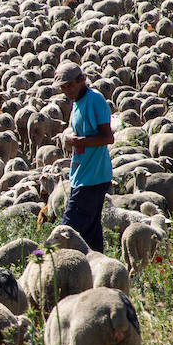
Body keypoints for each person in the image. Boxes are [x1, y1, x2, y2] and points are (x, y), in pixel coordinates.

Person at [56, 61, 114, 252]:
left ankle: (54, 269)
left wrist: (78, 141)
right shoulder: (77, 103)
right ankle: (97, 272)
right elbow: (79, 132)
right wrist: (69, 136)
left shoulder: (95, 99)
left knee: (67, 229)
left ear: (82, 80)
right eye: (63, 87)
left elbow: (108, 137)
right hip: (82, 174)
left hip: (93, 177)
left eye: (70, 85)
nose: (66, 90)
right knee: (90, 232)